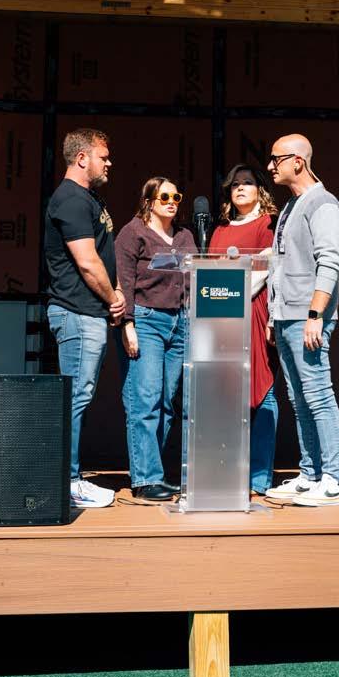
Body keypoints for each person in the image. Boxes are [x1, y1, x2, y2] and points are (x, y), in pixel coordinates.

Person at [264, 134, 339, 507]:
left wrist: (315, 314)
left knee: (318, 396)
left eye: (276, 159)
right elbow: (281, 264)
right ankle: (310, 474)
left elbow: (329, 261)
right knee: (299, 400)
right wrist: (274, 314)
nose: (270, 166)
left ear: (297, 161)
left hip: (306, 318)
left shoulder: (323, 204)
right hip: (286, 317)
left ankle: (334, 481)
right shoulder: (291, 205)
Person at [44, 127, 124, 509]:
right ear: (81, 158)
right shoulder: (71, 200)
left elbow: (103, 255)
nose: (109, 163)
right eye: (103, 157)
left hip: (88, 313)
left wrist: (115, 291)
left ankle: (69, 478)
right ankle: (69, 482)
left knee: (79, 396)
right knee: (75, 398)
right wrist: (113, 299)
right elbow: (88, 262)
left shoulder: (88, 198)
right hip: (77, 313)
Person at [115, 177, 197, 501]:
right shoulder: (133, 233)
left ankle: (153, 473)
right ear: (149, 200)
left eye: (176, 196)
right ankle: (145, 479)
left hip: (180, 323)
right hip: (147, 321)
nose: (172, 202)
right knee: (145, 400)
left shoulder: (185, 235)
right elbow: (124, 280)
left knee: (165, 403)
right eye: (164, 197)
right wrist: (127, 324)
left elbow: (196, 275)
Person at [208, 163, 279, 496]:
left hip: (253, 312)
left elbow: (266, 269)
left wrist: (229, 289)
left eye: (248, 183)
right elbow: (208, 272)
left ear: (259, 189)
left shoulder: (268, 224)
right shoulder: (220, 229)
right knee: (225, 393)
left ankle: (259, 478)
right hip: (220, 320)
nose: (240, 188)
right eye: (235, 184)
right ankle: (226, 474)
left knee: (262, 391)